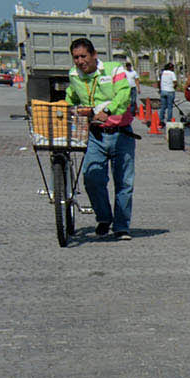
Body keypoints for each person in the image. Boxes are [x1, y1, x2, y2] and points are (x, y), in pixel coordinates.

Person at [65, 37, 136, 240]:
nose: (79, 61)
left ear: (94, 55)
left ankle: (122, 227)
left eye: (83, 56)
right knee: (92, 179)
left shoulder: (114, 70)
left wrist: (109, 110)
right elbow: (73, 96)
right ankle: (104, 218)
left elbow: (124, 94)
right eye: (75, 57)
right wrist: (65, 107)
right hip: (95, 135)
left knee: (124, 183)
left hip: (121, 133)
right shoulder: (74, 75)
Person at [158, 62, 177, 127]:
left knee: (163, 107)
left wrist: (160, 89)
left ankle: (161, 120)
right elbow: (175, 82)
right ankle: (169, 121)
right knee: (170, 107)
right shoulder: (172, 73)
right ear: (171, 68)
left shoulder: (162, 73)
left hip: (163, 91)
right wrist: (174, 88)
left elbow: (159, 81)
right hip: (170, 91)